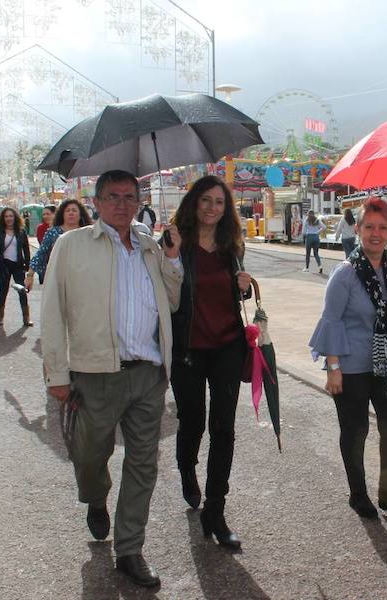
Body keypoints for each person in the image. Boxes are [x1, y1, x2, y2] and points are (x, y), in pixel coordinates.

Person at [41, 169, 183, 588]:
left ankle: (130, 550)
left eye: (129, 196)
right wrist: (56, 373)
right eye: (113, 196)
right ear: (96, 202)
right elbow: (52, 312)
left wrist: (172, 258)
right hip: (94, 375)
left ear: (139, 201)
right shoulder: (72, 246)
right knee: (89, 456)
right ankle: (95, 495)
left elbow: (170, 303)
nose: (122, 204)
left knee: (143, 464)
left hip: (148, 375)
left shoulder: (150, 248)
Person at [310, 198, 387, 522]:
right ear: (358, 229)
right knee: (355, 431)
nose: (376, 233)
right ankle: (358, 493)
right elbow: (331, 320)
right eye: (369, 227)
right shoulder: (345, 274)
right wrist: (333, 367)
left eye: (383, 227)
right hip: (351, 366)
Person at [170, 175, 252, 549]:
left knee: (224, 429)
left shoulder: (230, 246)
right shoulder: (174, 243)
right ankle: (187, 469)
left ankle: (215, 510)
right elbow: (168, 296)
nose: (212, 209)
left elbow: (238, 289)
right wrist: (170, 258)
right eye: (206, 201)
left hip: (227, 348)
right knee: (192, 423)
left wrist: (245, 284)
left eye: (219, 203)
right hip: (187, 350)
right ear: (194, 202)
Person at [26, 199, 91, 289]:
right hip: (58, 278)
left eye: (74, 210)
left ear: (80, 215)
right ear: (62, 214)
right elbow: (41, 253)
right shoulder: (53, 232)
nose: (71, 213)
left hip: (83, 278)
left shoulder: (88, 233)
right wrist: (30, 275)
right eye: (67, 210)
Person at [0, 207, 33, 327]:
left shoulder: (21, 231)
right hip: (4, 265)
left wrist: (28, 265)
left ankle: (26, 318)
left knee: (22, 291)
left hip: (18, 265)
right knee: (3, 291)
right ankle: (0, 317)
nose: (9, 219)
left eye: (11, 216)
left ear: (15, 217)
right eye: (6, 216)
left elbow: (26, 249)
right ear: (3, 218)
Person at [302, 209, 325, 273]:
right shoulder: (317, 220)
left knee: (308, 254)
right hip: (316, 237)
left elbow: (303, 231)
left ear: (308, 214)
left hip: (309, 237)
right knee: (316, 253)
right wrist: (318, 232)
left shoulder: (306, 220)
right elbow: (324, 227)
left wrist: (304, 236)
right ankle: (320, 266)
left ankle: (307, 268)